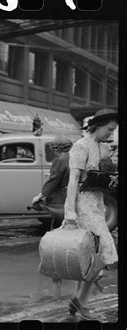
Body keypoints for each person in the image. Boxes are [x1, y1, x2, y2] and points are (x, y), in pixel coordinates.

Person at [63, 108, 118, 320]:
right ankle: (80, 301)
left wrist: (107, 179)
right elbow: (73, 180)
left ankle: (78, 301)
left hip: (96, 204)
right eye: (109, 129)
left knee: (88, 257)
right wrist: (70, 213)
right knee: (102, 254)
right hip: (83, 206)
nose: (111, 134)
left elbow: (93, 175)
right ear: (99, 125)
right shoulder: (81, 146)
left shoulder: (97, 146)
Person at [32, 136, 73, 206]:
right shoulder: (74, 157)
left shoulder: (59, 161)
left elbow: (53, 181)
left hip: (63, 197)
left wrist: (40, 196)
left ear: (56, 149)